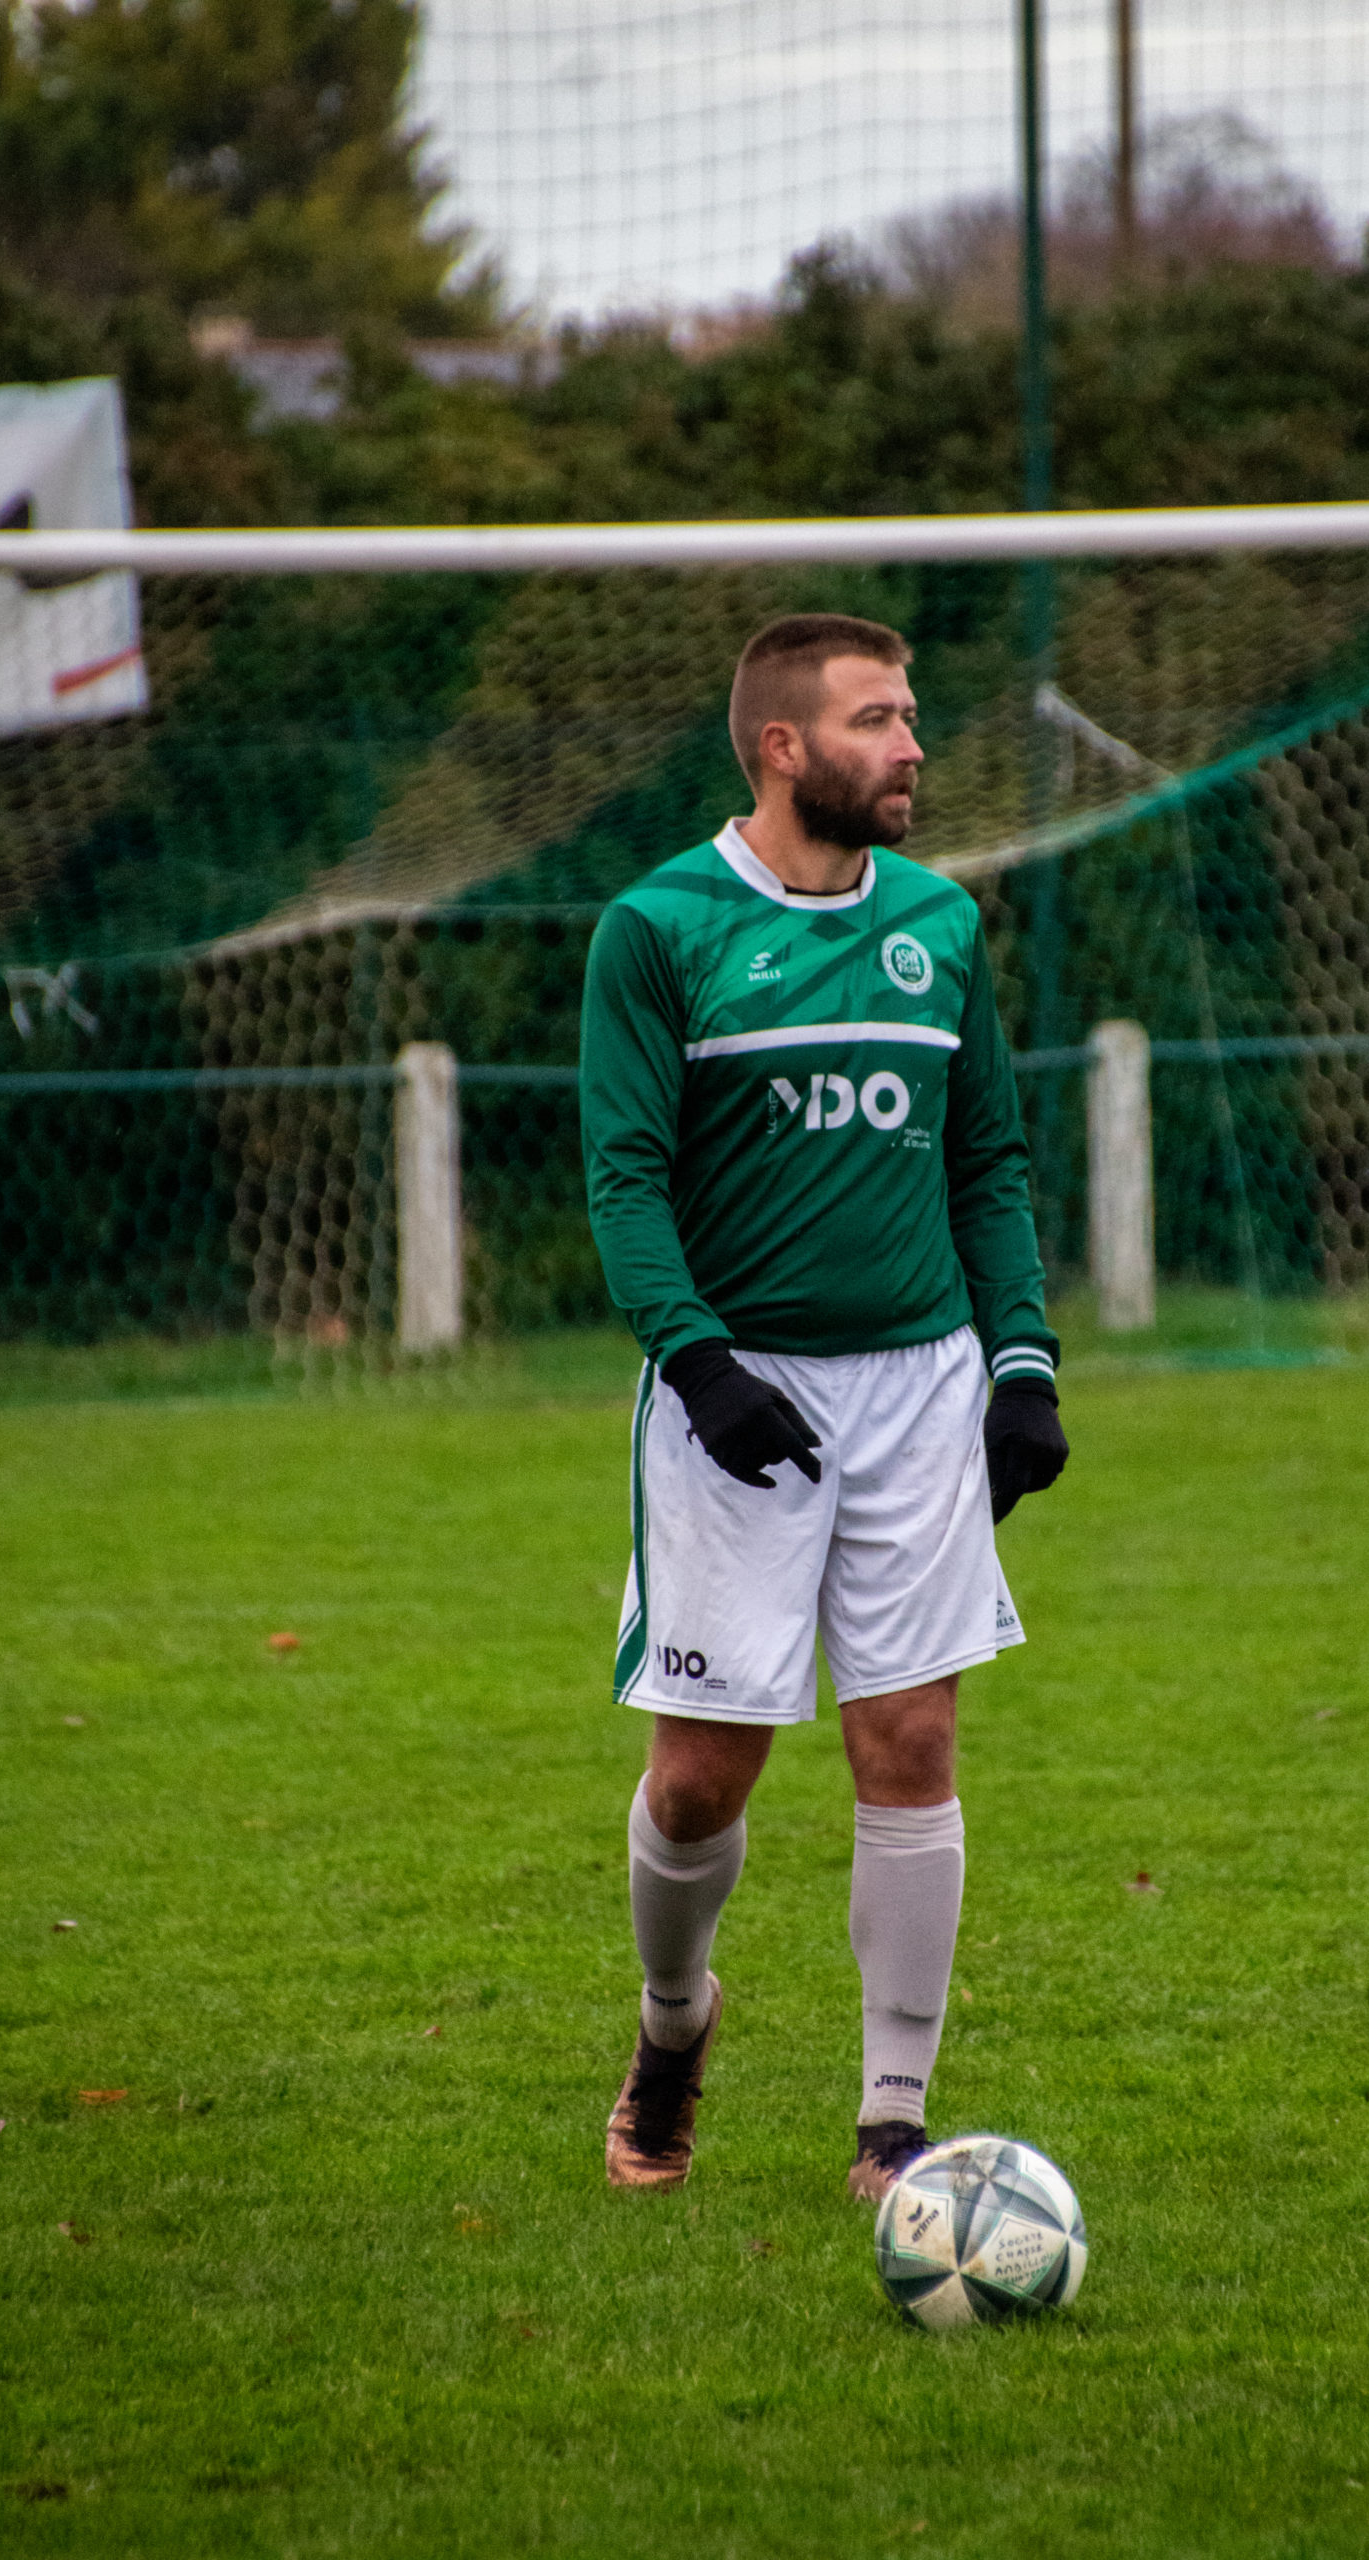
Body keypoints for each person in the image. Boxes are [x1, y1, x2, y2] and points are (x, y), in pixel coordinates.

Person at [579, 611, 1068, 2203]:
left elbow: (985, 1162)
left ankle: (893, 2128)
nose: (913, 746)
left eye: (911, 715)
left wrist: (1021, 1364)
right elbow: (624, 1181)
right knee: (700, 1780)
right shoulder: (659, 929)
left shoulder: (940, 923)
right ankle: (673, 2023)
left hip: (919, 1385)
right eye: (878, 720)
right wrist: (701, 1365)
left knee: (911, 1739)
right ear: (783, 747)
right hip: (736, 1397)